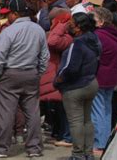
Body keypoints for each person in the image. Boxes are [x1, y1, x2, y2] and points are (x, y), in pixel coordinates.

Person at [0, 0, 50, 158]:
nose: (7, 17)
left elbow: (0, 56)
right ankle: (34, 148)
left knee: (6, 112)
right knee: (32, 113)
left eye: (9, 14)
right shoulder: (39, 30)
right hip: (31, 73)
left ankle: (1, 148)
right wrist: (38, 72)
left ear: (15, 14)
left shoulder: (9, 31)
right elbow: (44, 56)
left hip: (9, 73)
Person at [54, 13, 100, 160]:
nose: (69, 26)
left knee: (76, 122)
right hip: (91, 82)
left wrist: (58, 80)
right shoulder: (95, 40)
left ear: (79, 27)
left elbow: (70, 68)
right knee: (87, 121)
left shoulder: (77, 43)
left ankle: (78, 154)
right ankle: (88, 153)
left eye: (72, 23)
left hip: (75, 86)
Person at [91, 7, 117, 155]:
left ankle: (99, 143)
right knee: (106, 110)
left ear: (101, 21)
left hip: (99, 77)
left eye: (93, 19)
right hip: (111, 77)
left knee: (98, 110)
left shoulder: (98, 36)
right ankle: (104, 141)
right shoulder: (115, 35)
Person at [40, 8, 73, 147]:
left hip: (60, 76)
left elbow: (52, 42)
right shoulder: (54, 34)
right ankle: (59, 133)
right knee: (57, 108)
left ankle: (65, 136)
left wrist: (61, 24)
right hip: (51, 75)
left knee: (64, 108)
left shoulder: (66, 37)